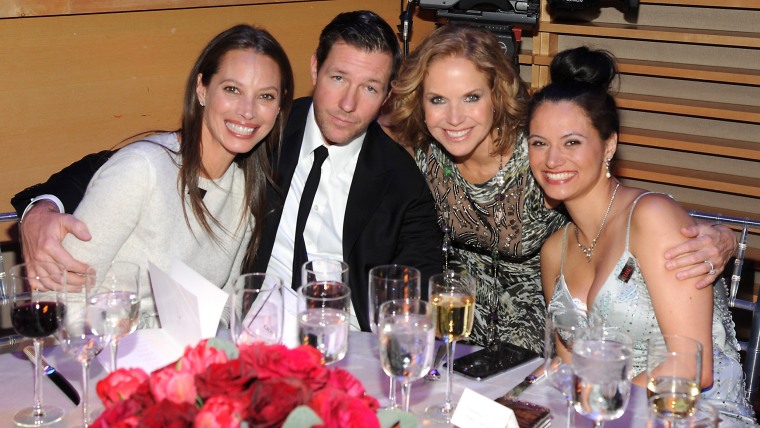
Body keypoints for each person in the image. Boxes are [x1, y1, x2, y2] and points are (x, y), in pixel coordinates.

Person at [12, 11, 442, 337]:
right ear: (315, 69)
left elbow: (416, 302)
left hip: (334, 344)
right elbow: (123, 164)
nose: (348, 103)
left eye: (369, 88)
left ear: (387, 94)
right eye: (338, 77)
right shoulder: (265, 129)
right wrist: (42, 207)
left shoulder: (403, 184)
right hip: (225, 336)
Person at [388, 24, 737, 353]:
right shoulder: (421, 154)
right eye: (437, 100)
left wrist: (720, 235)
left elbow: (621, 212)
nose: (453, 118)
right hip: (457, 341)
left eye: (470, 97)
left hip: (549, 350)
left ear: (496, 94)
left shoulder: (540, 150)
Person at [530, 46, 755, 423]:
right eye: (539, 143)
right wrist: (510, 397)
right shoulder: (555, 250)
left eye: (572, 142)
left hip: (691, 413)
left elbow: (690, 368)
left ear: (609, 146)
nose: (552, 160)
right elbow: (569, 369)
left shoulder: (652, 218)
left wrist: (596, 407)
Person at [41, 25, 294, 328]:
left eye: (265, 96)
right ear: (202, 89)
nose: (248, 111)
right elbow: (61, 296)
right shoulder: (142, 170)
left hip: (182, 363)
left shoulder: (244, 192)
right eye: (232, 89)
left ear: (278, 108)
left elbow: (225, 308)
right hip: (105, 354)